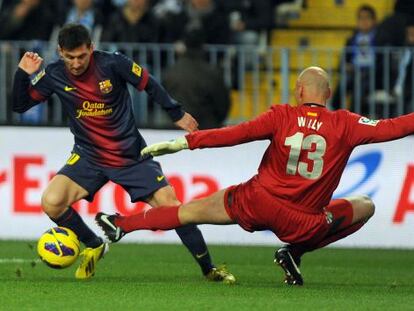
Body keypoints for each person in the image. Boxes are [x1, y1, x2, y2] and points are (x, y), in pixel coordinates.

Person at [96, 66, 414, 286]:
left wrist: (185, 142)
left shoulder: (281, 115)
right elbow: (396, 126)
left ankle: (121, 225)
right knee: (365, 206)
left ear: (299, 91)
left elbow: (236, 134)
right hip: (302, 222)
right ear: (328, 93)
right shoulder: (346, 124)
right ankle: (294, 252)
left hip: (258, 201)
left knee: (187, 211)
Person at [12, 23, 235, 283]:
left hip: (130, 156)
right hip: (89, 157)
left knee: (173, 208)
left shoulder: (112, 64)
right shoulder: (53, 74)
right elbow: (20, 105)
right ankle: (94, 244)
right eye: (70, 57)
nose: (75, 63)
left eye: (82, 56)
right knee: (51, 201)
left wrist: (177, 113)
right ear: (60, 52)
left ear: (91, 49)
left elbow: (149, 83)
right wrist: (21, 73)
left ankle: (209, 268)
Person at [163, 29, 231, 129]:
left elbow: (164, 100)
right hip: (206, 128)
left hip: (177, 128)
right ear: (203, 44)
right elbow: (223, 104)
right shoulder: (211, 72)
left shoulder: (171, 72)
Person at [332, 5, 377, 113]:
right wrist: (346, 66)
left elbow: (383, 61)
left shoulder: (380, 38)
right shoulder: (351, 39)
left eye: (367, 18)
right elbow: (344, 59)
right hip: (353, 71)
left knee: (360, 87)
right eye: (361, 18)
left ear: (374, 21)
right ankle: (335, 114)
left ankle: (353, 118)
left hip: (371, 74)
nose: (364, 21)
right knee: (344, 82)